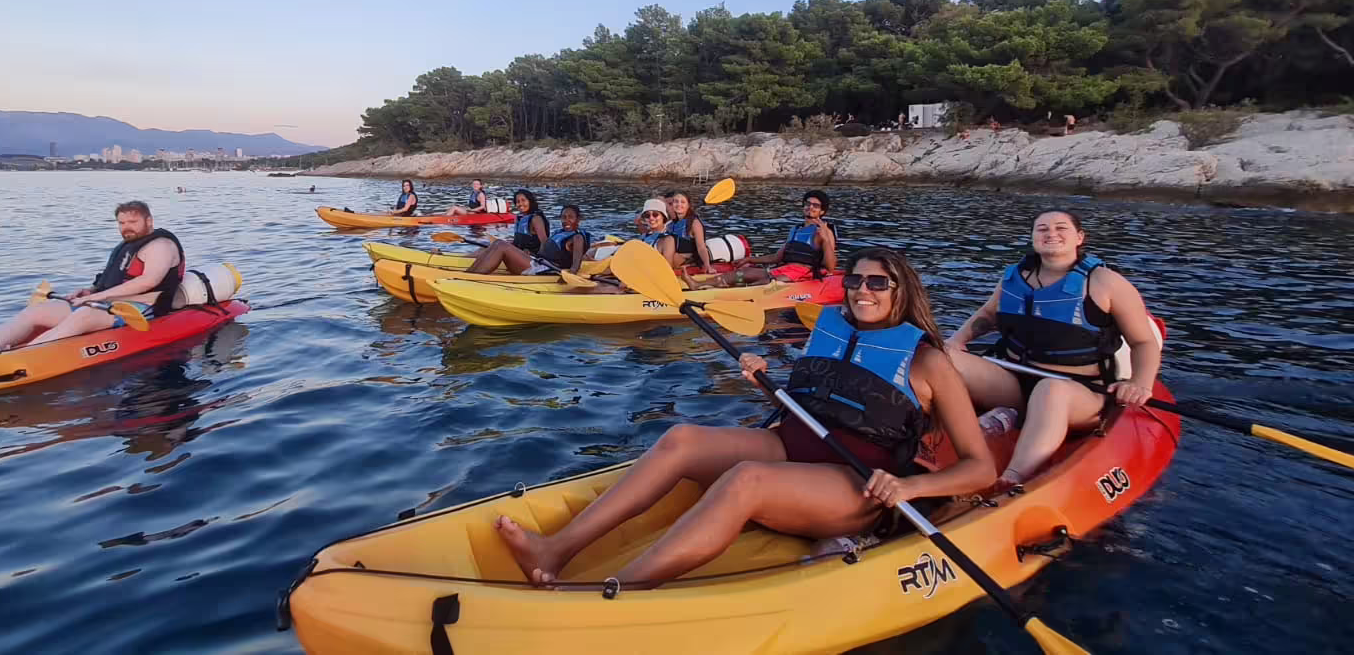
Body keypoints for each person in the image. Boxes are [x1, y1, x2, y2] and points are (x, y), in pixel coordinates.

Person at [493, 247, 995, 587]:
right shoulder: (831, 331)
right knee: (683, 438)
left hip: (856, 485)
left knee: (746, 479)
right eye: (855, 280)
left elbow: (979, 467)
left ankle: (624, 589)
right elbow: (813, 404)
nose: (863, 290)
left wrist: (908, 489)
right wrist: (767, 383)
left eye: (877, 283)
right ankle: (555, 550)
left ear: (900, 291)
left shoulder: (928, 363)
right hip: (794, 448)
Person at [945, 209, 1162, 490]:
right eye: (1042, 229)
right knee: (941, 357)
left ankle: (1012, 478)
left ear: (1079, 238)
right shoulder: (1015, 276)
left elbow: (1143, 343)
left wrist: (1140, 383)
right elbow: (988, 315)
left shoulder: (1105, 282)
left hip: (1079, 393)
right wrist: (957, 340)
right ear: (1033, 237)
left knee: (1051, 390)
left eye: (1061, 228)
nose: (1051, 234)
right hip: (1015, 382)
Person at [0, 201, 185, 353]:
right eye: (121, 223)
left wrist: (97, 299)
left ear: (149, 221)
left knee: (83, 315)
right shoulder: (129, 245)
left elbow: (148, 281)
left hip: (142, 309)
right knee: (39, 310)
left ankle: (18, 356)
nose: (126, 228)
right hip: (109, 304)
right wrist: (90, 291)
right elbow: (114, 277)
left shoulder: (161, 246)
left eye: (133, 222)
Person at [691, 190, 837, 288]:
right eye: (807, 204)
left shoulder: (824, 231)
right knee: (743, 274)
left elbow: (830, 267)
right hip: (783, 270)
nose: (810, 207)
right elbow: (777, 257)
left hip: (803, 273)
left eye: (815, 206)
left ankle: (731, 294)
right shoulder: (795, 230)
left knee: (762, 283)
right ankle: (697, 285)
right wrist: (750, 260)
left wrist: (825, 240)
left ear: (822, 211)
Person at [465, 190, 549, 275]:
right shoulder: (520, 218)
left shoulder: (536, 219)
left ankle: (470, 277)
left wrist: (538, 257)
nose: (520, 204)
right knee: (491, 244)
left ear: (530, 201)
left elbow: (544, 242)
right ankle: (466, 268)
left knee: (500, 244)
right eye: (517, 202)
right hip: (521, 260)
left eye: (523, 200)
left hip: (534, 264)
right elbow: (520, 242)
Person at [663, 191, 712, 270]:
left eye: (683, 202)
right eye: (676, 202)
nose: (679, 204)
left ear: (688, 205)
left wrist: (707, 265)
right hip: (672, 256)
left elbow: (701, 247)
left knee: (673, 257)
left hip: (688, 259)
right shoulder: (670, 224)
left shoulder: (694, 223)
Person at [536, 205, 591, 271]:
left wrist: (570, 274)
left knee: (519, 253)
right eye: (564, 217)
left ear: (578, 219)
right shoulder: (558, 232)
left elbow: (575, 267)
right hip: (539, 263)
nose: (566, 220)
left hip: (549, 269)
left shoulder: (578, 238)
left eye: (570, 217)